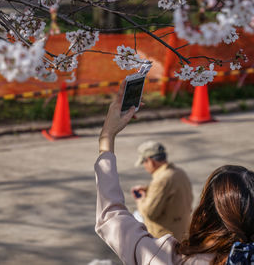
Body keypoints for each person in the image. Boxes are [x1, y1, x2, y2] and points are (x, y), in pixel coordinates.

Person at [94, 81, 254, 265]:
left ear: (205, 213)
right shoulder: (179, 173)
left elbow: (113, 217)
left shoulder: (168, 258)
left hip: (164, 231)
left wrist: (107, 137)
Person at [131, 140, 193, 241]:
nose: (145, 167)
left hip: (165, 240)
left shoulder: (161, 180)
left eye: (144, 162)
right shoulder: (179, 173)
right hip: (183, 232)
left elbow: (149, 213)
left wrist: (140, 199)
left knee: (135, 217)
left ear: (150, 161)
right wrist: (148, 190)